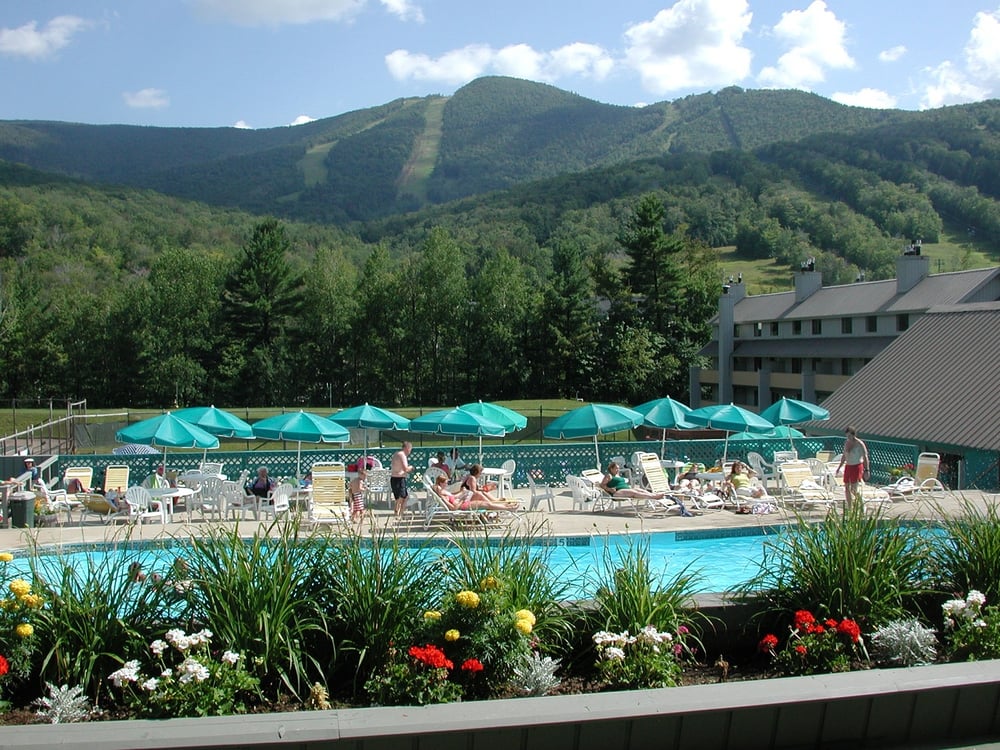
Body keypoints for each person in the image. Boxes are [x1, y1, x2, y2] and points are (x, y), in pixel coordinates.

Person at [599, 462, 690, 515]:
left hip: (624, 490)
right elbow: (602, 485)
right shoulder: (609, 476)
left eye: (618, 468)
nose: (618, 470)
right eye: (616, 468)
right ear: (611, 469)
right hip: (617, 493)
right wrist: (610, 490)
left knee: (639, 490)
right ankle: (654, 497)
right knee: (634, 493)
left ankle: (654, 495)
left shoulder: (617, 475)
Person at [432, 474, 517, 511]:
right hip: (463, 505)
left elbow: (453, 498)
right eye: (445, 482)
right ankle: (507, 508)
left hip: (463, 502)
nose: (447, 483)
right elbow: (453, 508)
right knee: (486, 504)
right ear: (440, 484)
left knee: (483, 499)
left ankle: (504, 506)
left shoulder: (444, 495)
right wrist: (462, 499)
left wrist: (462, 493)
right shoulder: (443, 498)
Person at [835, 426, 870, 509]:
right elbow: (844, 456)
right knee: (846, 487)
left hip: (856, 466)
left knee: (853, 489)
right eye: (847, 436)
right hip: (848, 466)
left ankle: (861, 504)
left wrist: (867, 470)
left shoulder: (860, 444)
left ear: (854, 435)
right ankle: (850, 507)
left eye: (850, 436)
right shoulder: (847, 443)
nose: (848, 438)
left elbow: (865, 457)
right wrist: (839, 467)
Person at [391, 441, 415, 517]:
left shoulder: (396, 454)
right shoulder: (402, 455)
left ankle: (399, 512)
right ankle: (398, 512)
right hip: (399, 478)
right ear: (406, 448)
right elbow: (405, 469)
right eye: (410, 449)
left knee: (401, 497)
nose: (410, 452)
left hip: (394, 478)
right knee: (402, 497)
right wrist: (411, 468)